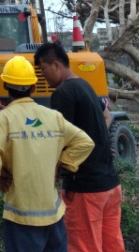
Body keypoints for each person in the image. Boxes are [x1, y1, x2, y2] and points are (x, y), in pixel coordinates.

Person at [0, 56, 94, 252]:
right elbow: (85, 142)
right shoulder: (53, 117)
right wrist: (60, 163)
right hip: (54, 215)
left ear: (5, 84)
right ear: (33, 86)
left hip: (21, 217)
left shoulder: (4, 118)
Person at [34, 41, 125, 252]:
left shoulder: (63, 93)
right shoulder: (85, 85)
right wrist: (98, 140)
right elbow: (106, 115)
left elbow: (59, 142)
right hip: (110, 185)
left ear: (56, 65)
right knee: (113, 245)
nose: (42, 76)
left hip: (85, 189)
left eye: (43, 69)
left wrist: (51, 177)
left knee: (83, 246)